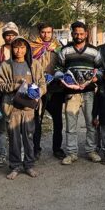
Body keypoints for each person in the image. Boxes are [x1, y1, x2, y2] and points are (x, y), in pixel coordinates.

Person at [0, 38, 46, 178]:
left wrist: (37, 92)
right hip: (12, 108)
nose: (19, 51)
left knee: (29, 138)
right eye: (16, 48)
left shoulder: (34, 64)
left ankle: (29, 165)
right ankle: (15, 166)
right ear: (12, 49)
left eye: (22, 48)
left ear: (27, 49)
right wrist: (15, 86)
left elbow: (42, 83)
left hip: (29, 109)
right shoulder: (6, 65)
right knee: (14, 139)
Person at [55, 21, 103, 164]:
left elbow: (101, 69)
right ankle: (71, 153)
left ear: (86, 34)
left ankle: (91, 150)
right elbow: (58, 69)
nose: (79, 36)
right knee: (71, 124)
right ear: (72, 33)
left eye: (81, 33)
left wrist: (96, 77)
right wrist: (63, 79)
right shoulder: (65, 50)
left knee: (91, 123)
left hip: (89, 92)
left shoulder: (94, 51)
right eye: (76, 33)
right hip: (71, 93)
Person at [0, 22, 21, 167]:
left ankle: (18, 154)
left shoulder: (22, 51)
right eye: (7, 35)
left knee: (18, 127)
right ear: (3, 36)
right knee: (1, 127)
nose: (10, 37)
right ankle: (1, 155)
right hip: (0, 95)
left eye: (13, 35)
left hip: (19, 96)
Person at [31, 22, 62, 158]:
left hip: (55, 88)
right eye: (43, 32)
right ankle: (36, 149)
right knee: (37, 120)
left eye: (49, 32)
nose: (46, 35)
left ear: (52, 32)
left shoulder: (59, 47)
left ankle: (57, 149)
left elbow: (63, 63)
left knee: (58, 120)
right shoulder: (32, 47)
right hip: (38, 87)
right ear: (39, 33)